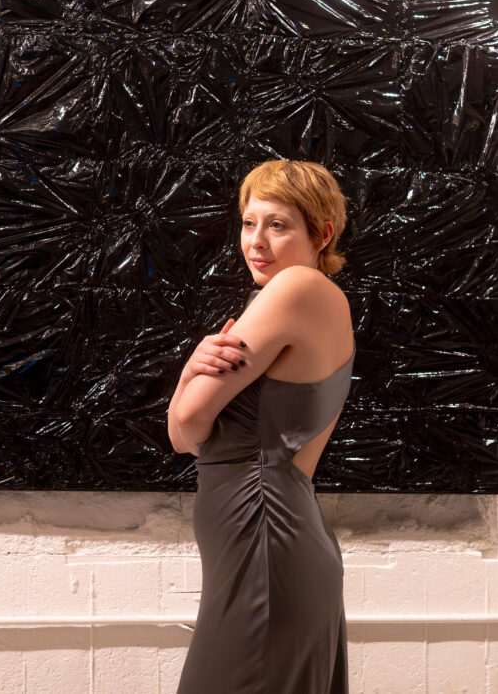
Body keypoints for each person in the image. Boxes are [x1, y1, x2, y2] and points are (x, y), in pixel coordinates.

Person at [167, 159, 355, 694]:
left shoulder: (298, 286)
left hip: (265, 539)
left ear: (322, 234)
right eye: (249, 223)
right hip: (272, 537)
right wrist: (189, 373)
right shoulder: (313, 299)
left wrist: (189, 379)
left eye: (278, 225)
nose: (257, 241)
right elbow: (183, 439)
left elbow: (188, 422)